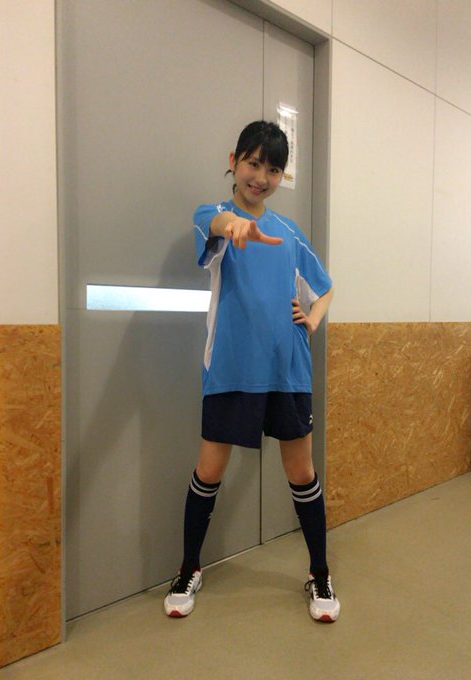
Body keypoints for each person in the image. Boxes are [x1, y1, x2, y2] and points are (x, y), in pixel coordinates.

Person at [164, 121, 340, 623]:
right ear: (234, 161)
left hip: (288, 371)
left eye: (273, 169)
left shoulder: (290, 233)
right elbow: (216, 225)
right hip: (231, 369)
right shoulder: (212, 214)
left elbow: (325, 287)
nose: (261, 177)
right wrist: (235, 226)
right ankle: (189, 568)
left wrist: (312, 318)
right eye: (254, 163)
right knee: (209, 471)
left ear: (282, 176)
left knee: (302, 474)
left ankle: (320, 573)